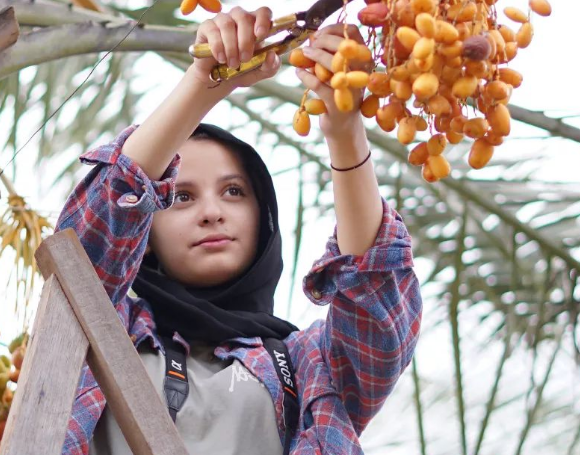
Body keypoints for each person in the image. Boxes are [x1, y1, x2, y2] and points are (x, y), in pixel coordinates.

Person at [56, 6, 422, 455]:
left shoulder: (311, 367)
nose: (211, 213)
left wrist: (344, 128)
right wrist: (203, 84)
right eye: (181, 197)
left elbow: (377, 299)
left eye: (233, 191)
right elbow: (91, 231)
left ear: (262, 216)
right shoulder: (99, 324)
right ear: (145, 233)